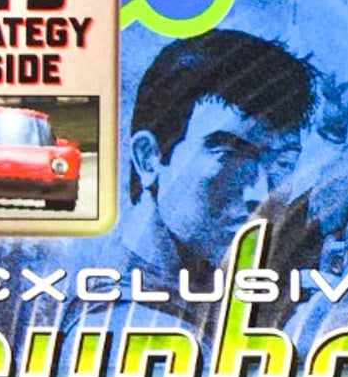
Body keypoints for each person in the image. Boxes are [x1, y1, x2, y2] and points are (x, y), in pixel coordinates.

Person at [119, 29, 316, 290]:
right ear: (148, 158)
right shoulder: (120, 305)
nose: (260, 193)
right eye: (229, 154)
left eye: (283, 162)